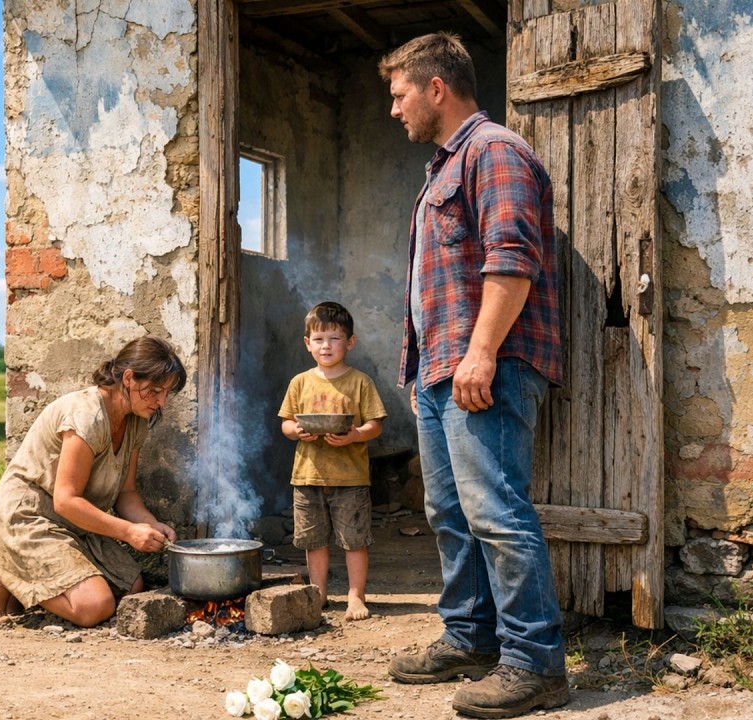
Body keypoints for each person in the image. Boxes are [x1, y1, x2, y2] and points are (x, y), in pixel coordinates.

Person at [378, 33, 568, 718]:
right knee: (451, 514)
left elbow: (511, 258)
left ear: (436, 88)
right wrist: (420, 369)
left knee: (496, 512)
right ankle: (470, 637)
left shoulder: (494, 152)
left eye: (399, 95)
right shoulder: (442, 169)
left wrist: (481, 352)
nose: (394, 110)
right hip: (439, 371)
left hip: (483, 367)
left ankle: (534, 662)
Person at [0, 336, 186, 628]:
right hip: (29, 515)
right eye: (154, 390)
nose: (161, 401)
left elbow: (125, 493)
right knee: (94, 606)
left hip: (74, 523)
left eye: (166, 393)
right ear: (128, 378)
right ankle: (6, 572)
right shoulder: (86, 416)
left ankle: (21, 580)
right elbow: (66, 500)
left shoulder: (136, 421)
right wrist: (128, 532)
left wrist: (150, 525)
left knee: (131, 586)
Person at [278, 301, 386, 622]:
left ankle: (356, 595)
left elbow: (375, 425)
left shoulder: (360, 382)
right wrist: (297, 430)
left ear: (349, 342)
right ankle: (319, 592)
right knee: (314, 540)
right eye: (319, 339)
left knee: (354, 539)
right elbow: (285, 424)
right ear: (307, 343)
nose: (327, 346)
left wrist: (355, 435)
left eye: (335, 338)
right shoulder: (300, 382)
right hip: (308, 476)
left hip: (350, 478)